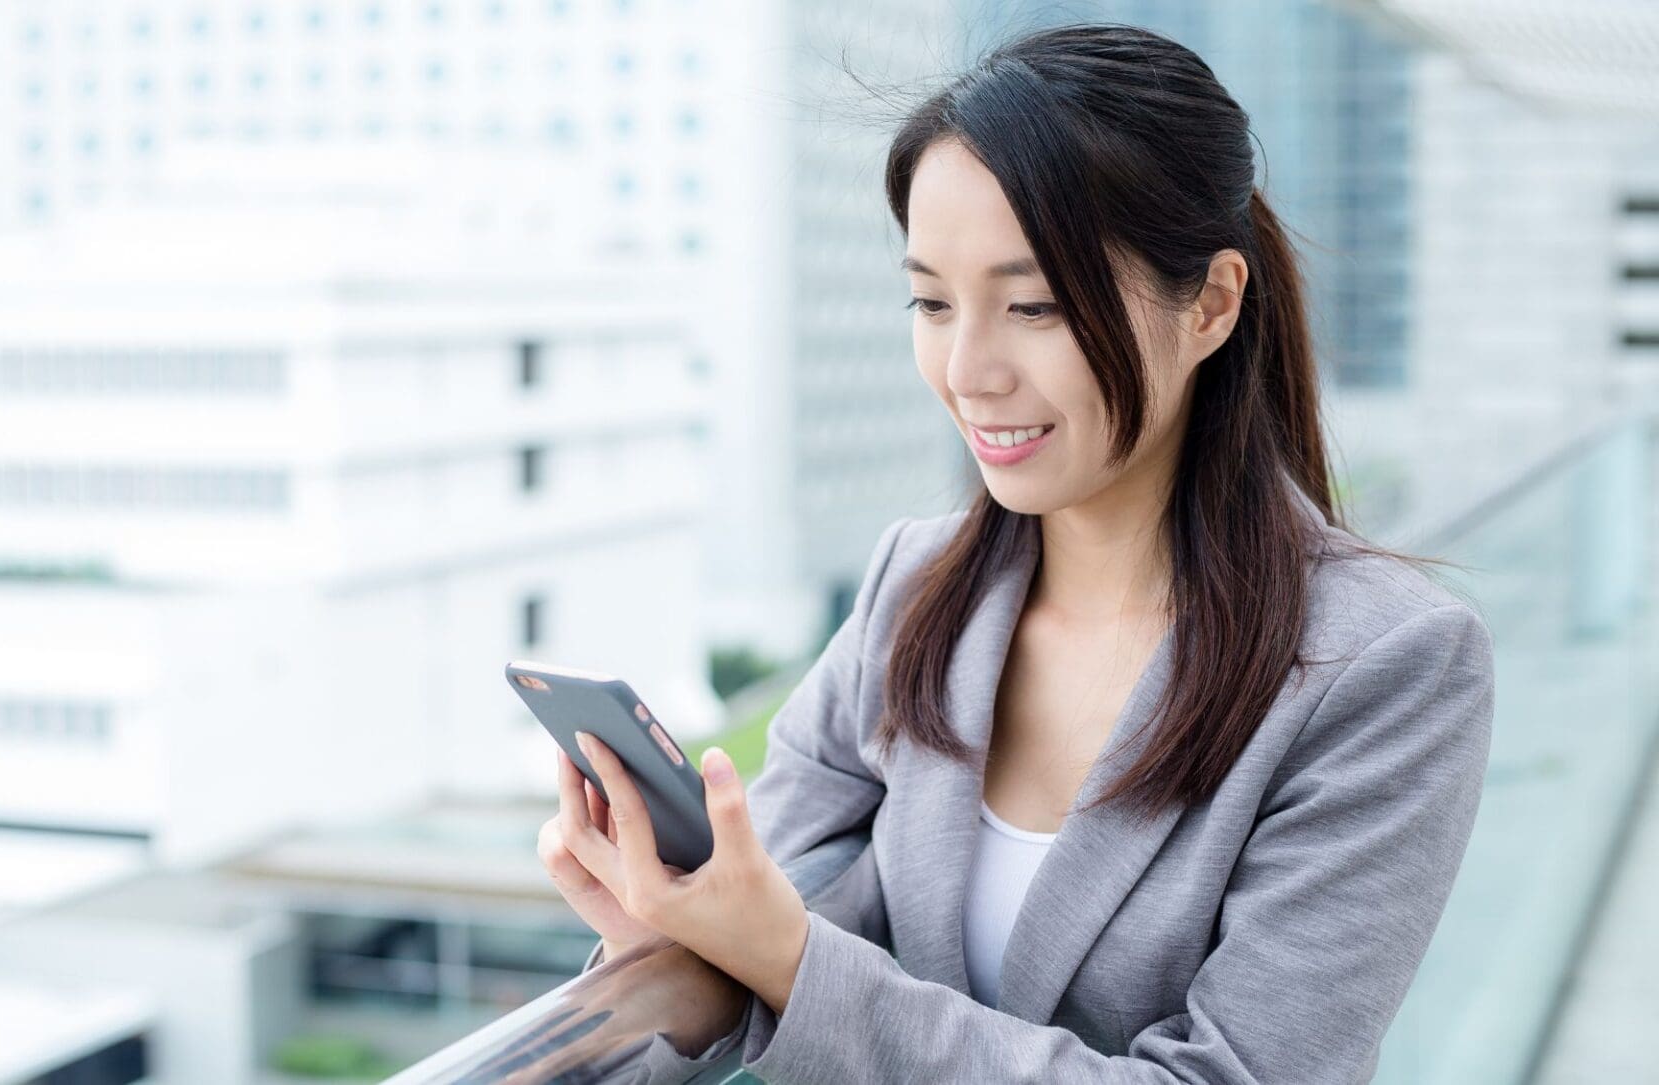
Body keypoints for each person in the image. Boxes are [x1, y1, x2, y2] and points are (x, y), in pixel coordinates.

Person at [537, 21, 1495, 1084]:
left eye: (1034, 305)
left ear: (1213, 304)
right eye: (933, 301)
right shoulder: (918, 587)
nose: (968, 369)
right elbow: (777, 915)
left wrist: (779, 953)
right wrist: (658, 939)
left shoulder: (1387, 661)